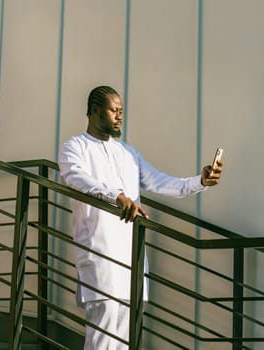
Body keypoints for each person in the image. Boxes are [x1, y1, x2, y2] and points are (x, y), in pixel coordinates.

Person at [58, 85, 222, 350]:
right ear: (95, 110)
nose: (120, 116)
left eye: (122, 111)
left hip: (131, 256)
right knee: (102, 335)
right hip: (100, 256)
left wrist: (200, 181)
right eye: (114, 110)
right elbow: (77, 178)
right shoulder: (74, 147)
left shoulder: (128, 153)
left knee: (126, 336)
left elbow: (160, 182)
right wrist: (118, 196)